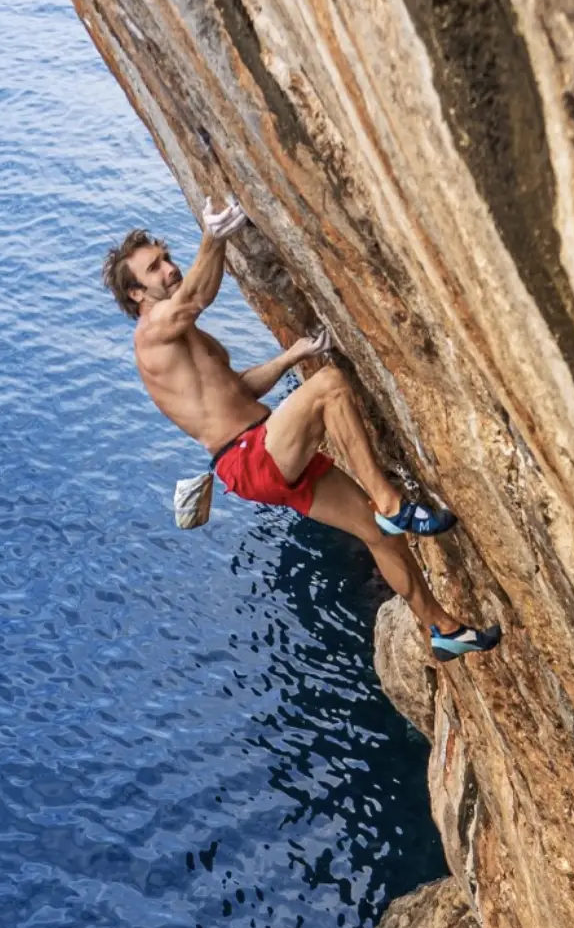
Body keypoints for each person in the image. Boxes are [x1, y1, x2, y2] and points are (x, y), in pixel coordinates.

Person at [102, 198, 501, 661]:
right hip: (247, 457)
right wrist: (214, 236)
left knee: (379, 536)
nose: (169, 269)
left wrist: (291, 356)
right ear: (136, 294)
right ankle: (390, 501)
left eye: (167, 258)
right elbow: (194, 296)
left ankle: (442, 629)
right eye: (155, 268)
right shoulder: (153, 333)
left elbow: (237, 389)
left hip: (263, 448)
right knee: (330, 387)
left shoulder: (187, 337)